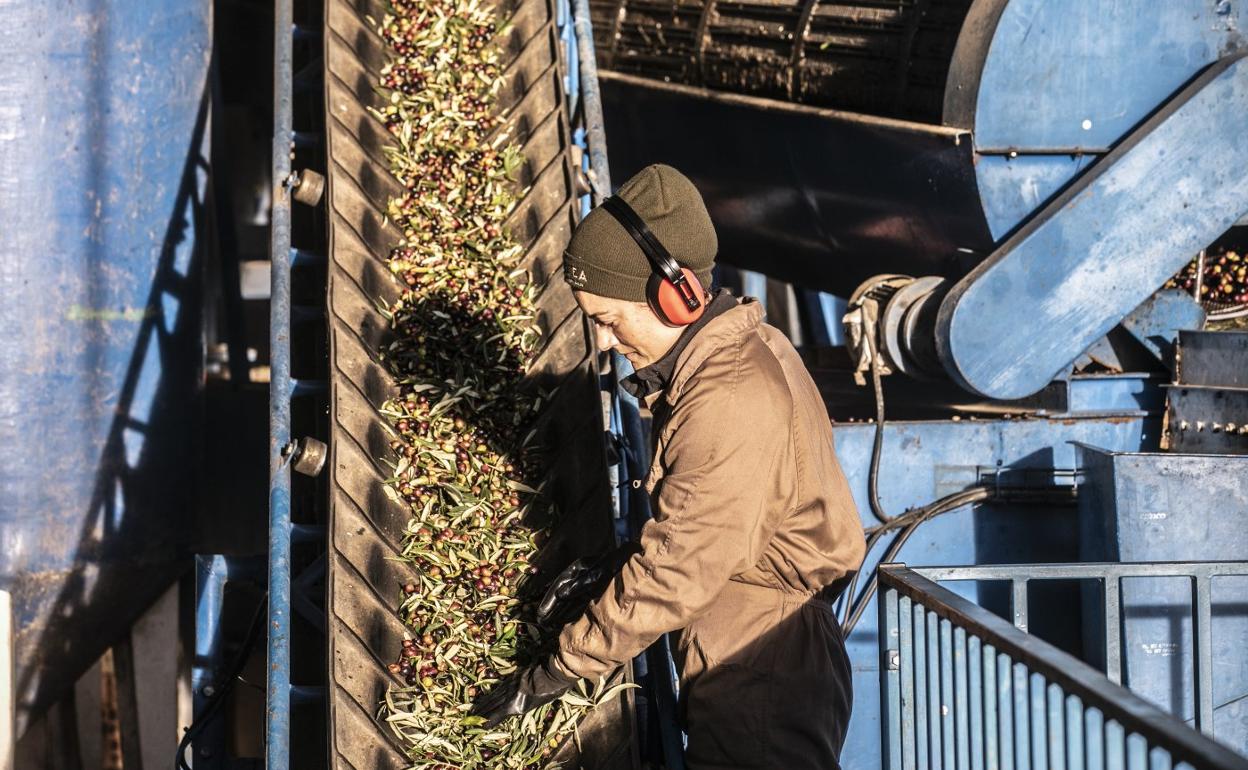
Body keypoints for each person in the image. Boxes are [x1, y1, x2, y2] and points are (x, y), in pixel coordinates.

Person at [472, 164, 866, 769]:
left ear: (674, 297)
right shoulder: (730, 361)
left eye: (607, 320)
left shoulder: (726, 399)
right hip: (746, 642)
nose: (603, 343)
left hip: (761, 667)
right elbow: (709, 528)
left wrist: (554, 671)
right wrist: (621, 560)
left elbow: (677, 572)